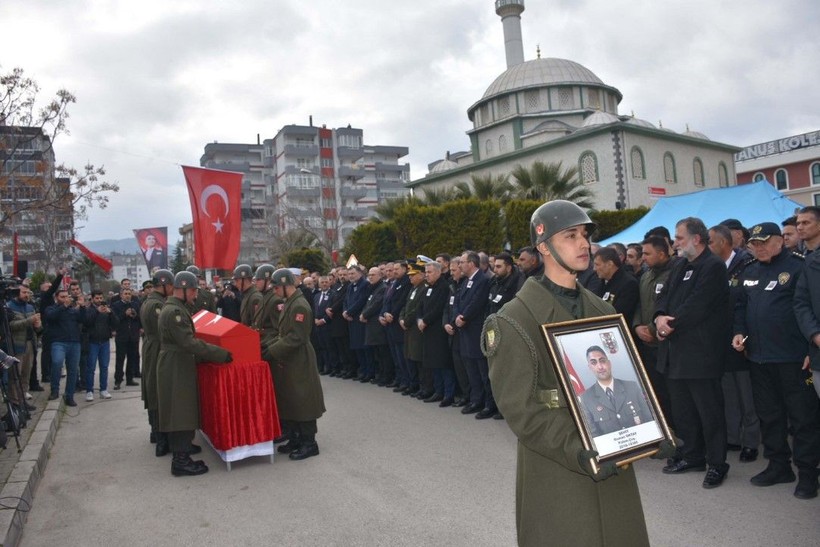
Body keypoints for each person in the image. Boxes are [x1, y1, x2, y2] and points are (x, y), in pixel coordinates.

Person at [483, 200, 660, 546]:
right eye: (570, 235)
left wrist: (650, 430)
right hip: (559, 465)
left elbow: (622, 379)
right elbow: (522, 411)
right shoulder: (512, 320)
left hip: (613, 461)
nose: (584, 244)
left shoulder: (601, 308)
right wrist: (579, 448)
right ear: (544, 246)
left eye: (585, 235)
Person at [732, 222, 820, 500]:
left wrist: (810, 348)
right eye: (754, 244)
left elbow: (808, 307)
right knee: (769, 416)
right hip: (759, 358)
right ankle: (779, 465)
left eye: (763, 242)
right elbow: (740, 307)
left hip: (794, 358)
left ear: (780, 242)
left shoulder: (799, 266)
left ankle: (808, 473)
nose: (758, 248)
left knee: (803, 418)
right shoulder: (749, 270)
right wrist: (739, 333)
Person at [655, 217, 731, 488]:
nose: (674, 243)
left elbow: (698, 305)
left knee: (709, 412)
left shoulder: (713, 266)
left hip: (701, 355)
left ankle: (717, 463)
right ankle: (693, 455)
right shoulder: (679, 265)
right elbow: (662, 295)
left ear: (696, 239)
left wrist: (669, 324)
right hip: (675, 354)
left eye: (679, 238)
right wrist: (659, 316)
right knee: (683, 410)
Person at [156, 271, 231, 477]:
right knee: (181, 410)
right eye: (194, 291)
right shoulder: (175, 312)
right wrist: (220, 353)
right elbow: (188, 342)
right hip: (176, 365)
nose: (196, 296)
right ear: (185, 289)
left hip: (177, 362)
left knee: (180, 408)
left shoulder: (175, 308)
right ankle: (180, 460)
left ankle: (182, 452)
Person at [708, 224, 760, 462]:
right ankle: (733, 438)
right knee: (729, 395)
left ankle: (750, 442)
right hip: (720, 342)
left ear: (723, 243)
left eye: (710, 242)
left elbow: (746, 304)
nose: (707, 247)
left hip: (743, 340)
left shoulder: (746, 265)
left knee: (746, 396)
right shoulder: (710, 268)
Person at [262, 268, 326, 461]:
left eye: (276, 288)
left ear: (285, 285)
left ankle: (309, 442)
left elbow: (296, 337)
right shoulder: (289, 302)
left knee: (303, 398)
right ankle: (296, 437)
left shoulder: (299, 305)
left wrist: (271, 351)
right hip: (289, 358)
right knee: (291, 398)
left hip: (299, 358)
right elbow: (282, 334)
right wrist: (267, 346)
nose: (274, 291)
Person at [631, 236, 675, 428]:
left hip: (666, 345)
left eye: (647, 253)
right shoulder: (646, 276)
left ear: (662, 253)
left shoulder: (674, 274)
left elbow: (671, 306)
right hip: (647, 344)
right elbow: (640, 304)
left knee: (672, 395)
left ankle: (678, 435)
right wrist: (637, 326)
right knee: (656, 393)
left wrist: (651, 328)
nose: (643, 258)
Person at [580, 346, 654, 436]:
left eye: (602, 361)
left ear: (609, 363)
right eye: (594, 363)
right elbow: (594, 434)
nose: (600, 366)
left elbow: (650, 419)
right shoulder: (586, 398)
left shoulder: (631, 387)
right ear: (590, 367)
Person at [139, 270, 174, 457]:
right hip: (157, 349)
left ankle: (156, 433)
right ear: (165, 284)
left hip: (152, 347)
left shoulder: (150, 301)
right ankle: (161, 439)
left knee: (153, 390)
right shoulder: (156, 305)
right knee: (157, 393)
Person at [455, 251, 493, 418]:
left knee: (483, 370)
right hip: (465, 331)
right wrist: (457, 316)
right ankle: (476, 400)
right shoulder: (466, 281)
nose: (460, 265)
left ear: (471, 263)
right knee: (471, 370)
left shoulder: (483, 281)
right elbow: (458, 301)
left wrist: (464, 317)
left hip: (476, 330)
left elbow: (477, 302)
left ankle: (489, 404)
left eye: (462, 262)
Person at [417, 261, 455, 406]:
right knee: (433, 363)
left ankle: (448, 394)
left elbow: (439, 308)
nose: (427, 275)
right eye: (426, 272)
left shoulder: (443, 287)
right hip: (427, 330)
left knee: (443, 363)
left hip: (438, 330)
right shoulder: (428, 288)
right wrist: (419, 319)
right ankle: (438, 391)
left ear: (439, 272)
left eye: (430, 272)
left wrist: (425, 320)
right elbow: (420, 306)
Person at [44, 288, 88, 406]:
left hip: (74, 343)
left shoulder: (73, 310)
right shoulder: (51, 308)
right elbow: (51, 317)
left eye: (66, 297)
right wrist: (63, 307)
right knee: (57, 363)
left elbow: (84, 320)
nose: (65, 299)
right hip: (58, 342)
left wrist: (83, 307)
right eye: (62, 297)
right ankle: (54, 390)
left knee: (73, 370)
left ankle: (70, 395)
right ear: (56, 298)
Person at [7, 285, 42, 411]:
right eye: (23, 292)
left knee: (26, 374)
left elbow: (36, 328)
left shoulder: (30, 307)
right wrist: (29, 320)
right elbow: (10, 326)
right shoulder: (9, 307)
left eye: (28, 292)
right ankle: (14, 403)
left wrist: (38, 326)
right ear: (17, 292)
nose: (26, 295)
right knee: (15, 374)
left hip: (29, 344)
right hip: (16, 346)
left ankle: (22, 400)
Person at [84, 290, 118, 402]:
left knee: (104, 367)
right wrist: (97, 312)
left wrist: (110, 313)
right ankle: (89, 391)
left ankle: (103, 389)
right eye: (97, 298)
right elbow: (87, 322)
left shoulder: (106, 309)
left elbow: (116, 323)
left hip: (104, 342)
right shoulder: (89, 310)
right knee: (91, 368)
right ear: (92, 298)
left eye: (100, 298)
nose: (99, 300)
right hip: (92, 342)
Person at [592, 247, 639, 321]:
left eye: (597, 265)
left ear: (610, 264)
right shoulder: (602, 282)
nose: (594, 269)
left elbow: (619, 314)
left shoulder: (629, 284)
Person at [111, 287, 141, 390]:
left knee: (132, 358)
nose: (128, 295)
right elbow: (115, 320)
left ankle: (130, 378)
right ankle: (118, 380)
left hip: (133, 336)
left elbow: (139, 318)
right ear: (121, 295)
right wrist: (125, 314)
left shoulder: (135, 305)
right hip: (122, 336)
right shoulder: (116, 305)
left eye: (129, 293)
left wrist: (134, 315)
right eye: (125, 293)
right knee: (120, 359)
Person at [233, 264, 261, 328]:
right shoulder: (247, 295)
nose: (235, 284)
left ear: (244, 280)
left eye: (236, 280)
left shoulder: (255, 298)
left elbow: (257, 325)